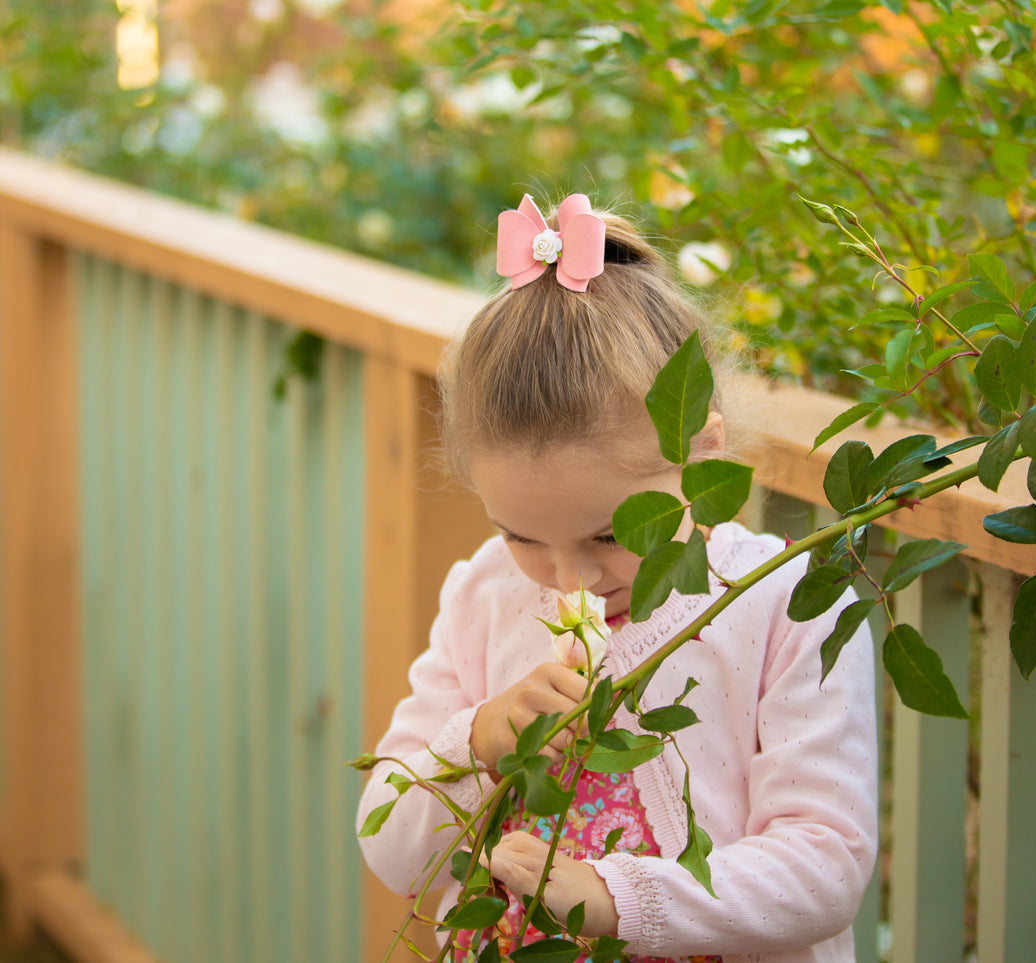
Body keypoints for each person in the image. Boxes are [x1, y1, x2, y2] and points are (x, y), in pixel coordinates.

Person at [356, 193, 878, 963]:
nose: (568, 575)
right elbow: (393, 849)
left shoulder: (785, 600)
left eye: (607, 533)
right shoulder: (483, 595)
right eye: (520, 534)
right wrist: (477, 738)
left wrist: (615, 897)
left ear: (702, 453)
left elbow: (826, 865)